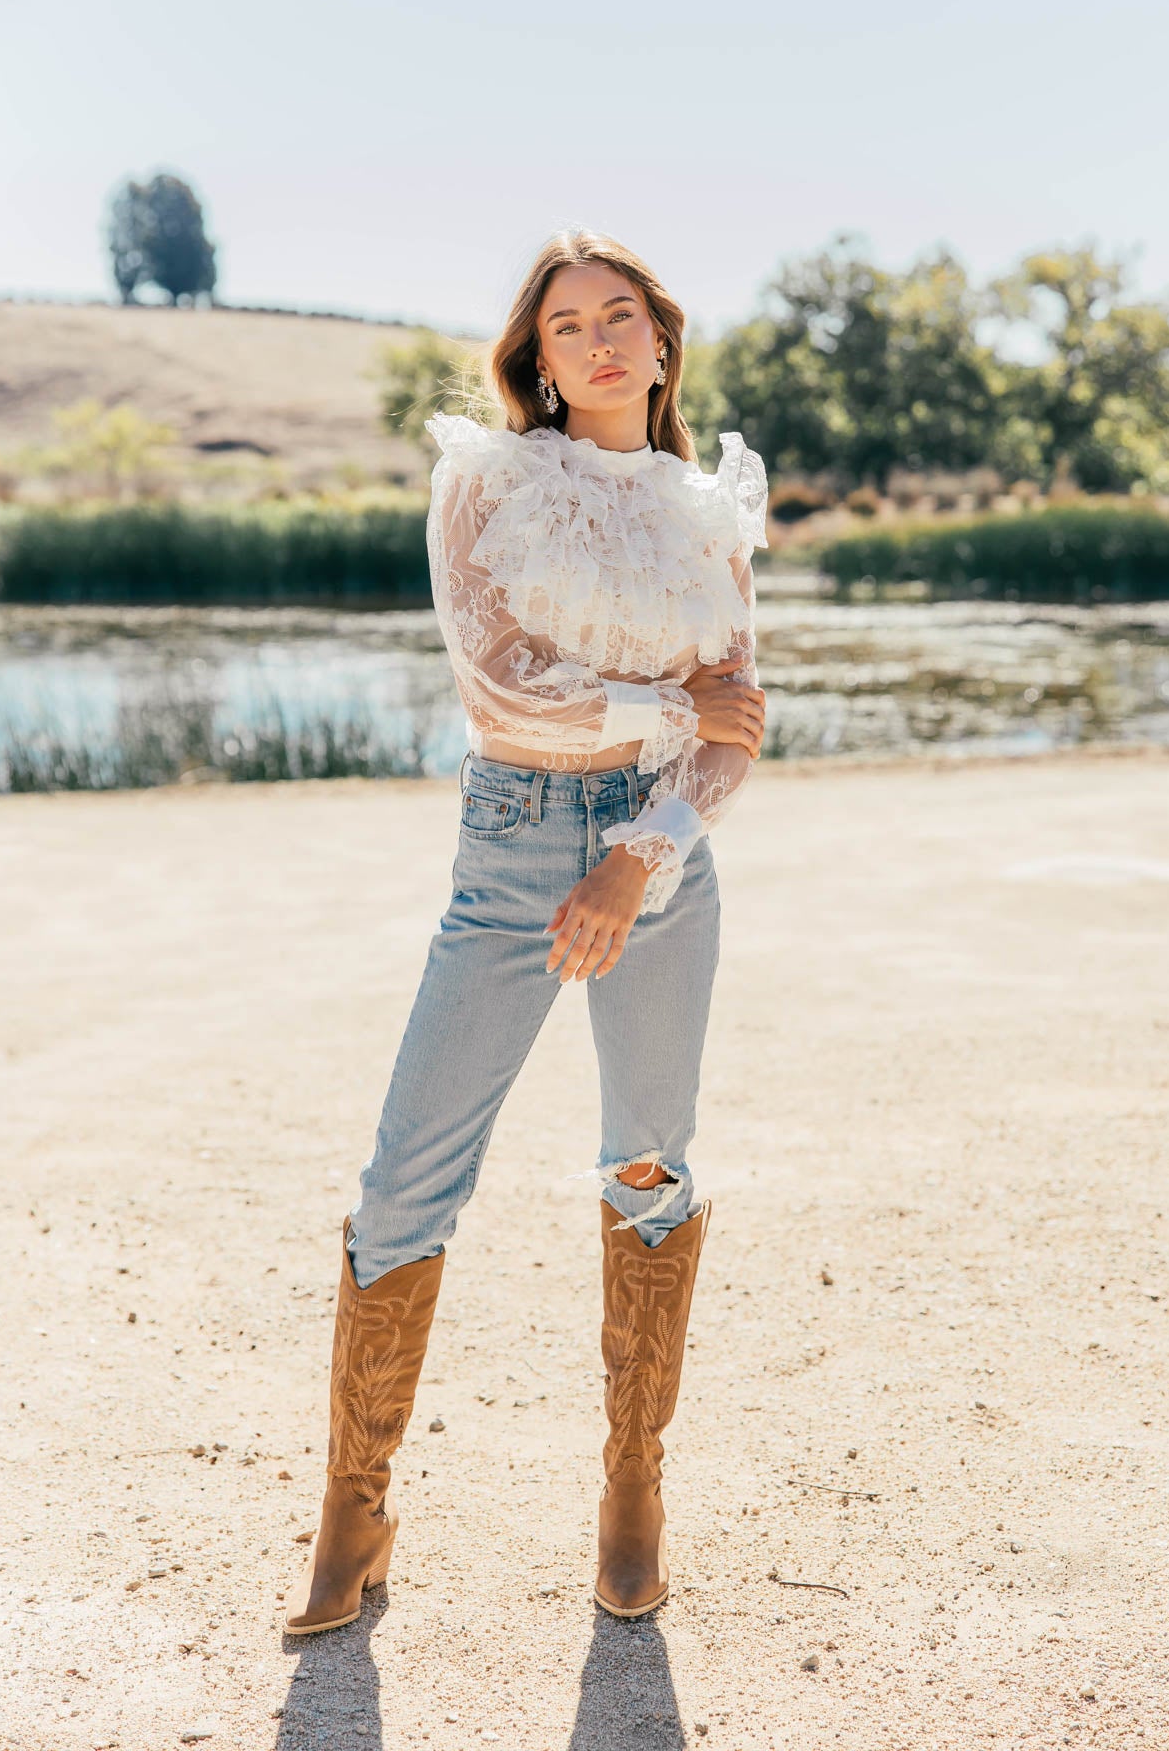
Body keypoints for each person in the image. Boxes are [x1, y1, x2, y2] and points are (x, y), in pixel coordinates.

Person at [284, 227, 768, 1635]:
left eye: (623, 316)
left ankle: (633, 1489)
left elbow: (743, 736)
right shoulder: (487, 482)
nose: (600, 339)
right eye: (569, 325)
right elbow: (505, 691)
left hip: (662, 856)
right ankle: (354, 1512)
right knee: (404, 1182)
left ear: (663, 345)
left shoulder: (707, 510)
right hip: (509, 848)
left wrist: (638, 862)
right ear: (538, 361)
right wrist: (675, 710)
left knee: (647, 1161)